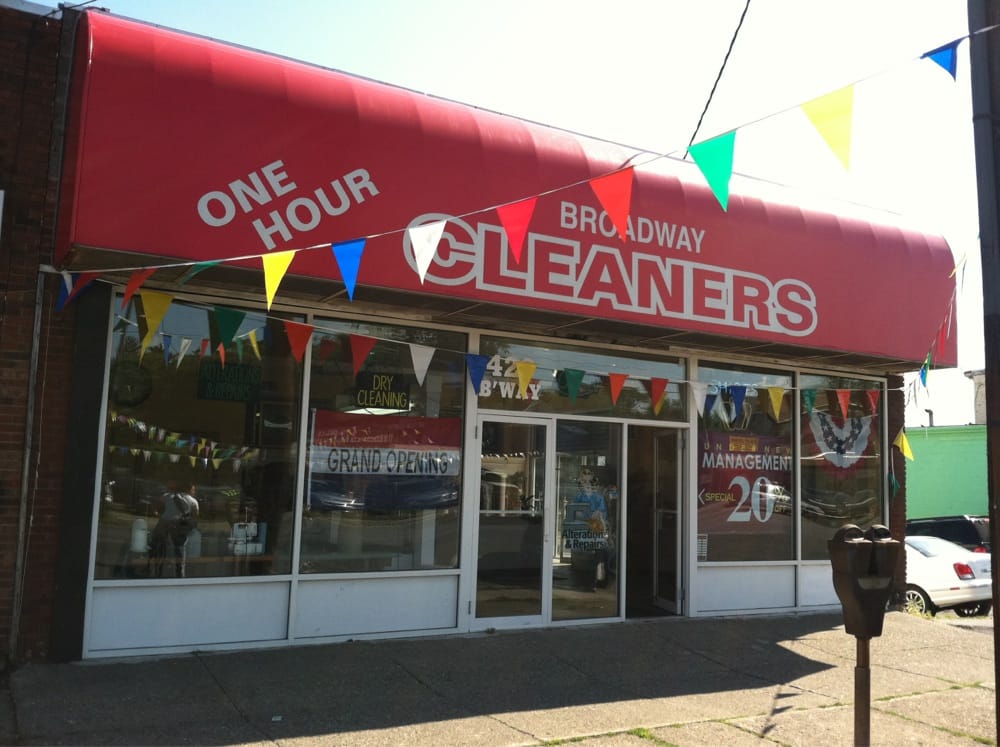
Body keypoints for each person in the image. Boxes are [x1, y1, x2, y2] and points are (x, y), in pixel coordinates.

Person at [149, 483, 199, 578]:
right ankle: (180, 575)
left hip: (164, 524)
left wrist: (157, 514)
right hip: (179, 527)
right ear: (190, 490)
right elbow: (196, 518)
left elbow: (155, 505)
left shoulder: (168, 496)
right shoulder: (193, 501)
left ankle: (157, 573)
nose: (194, 492)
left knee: (159, 549)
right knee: (179, 552)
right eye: (194, 490)